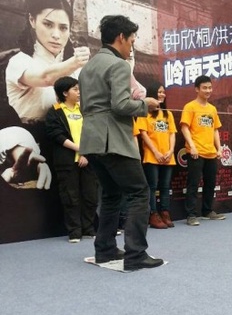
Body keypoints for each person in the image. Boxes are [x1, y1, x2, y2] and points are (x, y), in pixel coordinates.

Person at [78, 14, 163, 271]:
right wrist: (145, 105)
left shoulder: (88, 68)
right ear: (121, 37)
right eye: (132, 41)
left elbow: (87, 106)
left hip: (91, 141)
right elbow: (121, 105)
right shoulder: (119, 65)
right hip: (113, 140)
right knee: (139, 192)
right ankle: (136, 254)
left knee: (111, 194)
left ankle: (104, 249)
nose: (132, 47)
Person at [6, 0, 90, 123]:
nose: (56, 35)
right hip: (28, 133)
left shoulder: (79, 68)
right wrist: (76, 62)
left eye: (63, 28)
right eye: (48, 24)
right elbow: (46, 78)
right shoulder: (19, 62)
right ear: (32, 20)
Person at [45, 77, 98, 243]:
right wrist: (78, 149)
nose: (79, 92)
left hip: (87, 159)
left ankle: (88, 228)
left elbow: (93, 132)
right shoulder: (55, 111)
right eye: (75, 89)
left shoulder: (83, 110)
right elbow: (56, 135)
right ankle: (75, 231)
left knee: (90, 195)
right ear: (65, 93)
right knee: (70, 197)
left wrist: (85, 153)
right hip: (66, 161)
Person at [180, 75, 226, 226]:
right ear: (197, 89)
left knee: (210, 183)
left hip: (211, 152)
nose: (208, 90)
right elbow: (184, 127)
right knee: (193, 184)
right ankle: (191, 214)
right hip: (196, 152)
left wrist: (219, 148)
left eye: (210, 87)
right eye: (204, 88)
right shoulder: (190, 107)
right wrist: (192, 146)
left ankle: (207, 211)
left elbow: (215, 130)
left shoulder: (212, 109)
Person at [134, 81, 177, 229]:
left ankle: (165, 212)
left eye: (163, 92)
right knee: (152, 187)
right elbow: (143, 134)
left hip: (168, 156)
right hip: (152, 156)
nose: (162, 94)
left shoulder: (168, 114)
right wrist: (156, 152)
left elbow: (172, 134)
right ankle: (153, 214)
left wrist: (171, 151)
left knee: (165, 186)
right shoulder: (144, 113)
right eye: (159, 92)